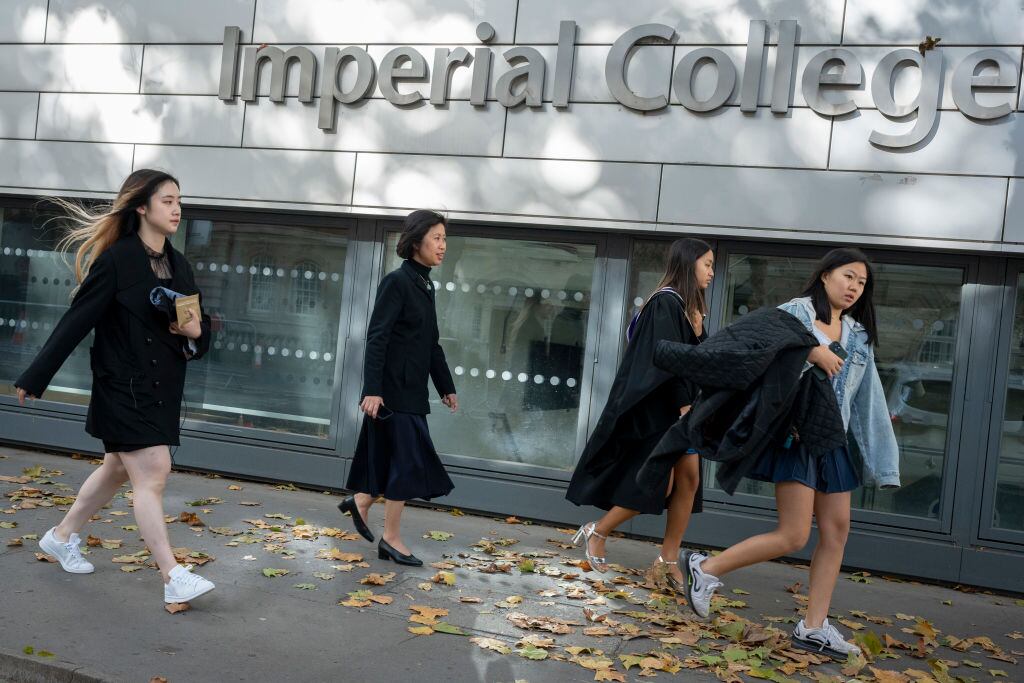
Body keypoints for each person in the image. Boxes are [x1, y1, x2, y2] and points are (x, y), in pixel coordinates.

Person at [683, 248, 900, 660]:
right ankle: (705, 569)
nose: (854, 287)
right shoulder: (795, 313)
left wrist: (882, 464)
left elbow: (869, 401)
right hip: (797, 436)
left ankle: (814, 626)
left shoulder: (858, 335)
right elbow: (752, 353)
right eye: (848, 276)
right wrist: (807, 352)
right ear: (825, 275)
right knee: (795, 535)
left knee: (836, 533)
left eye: (862, 283)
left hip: (832, 440)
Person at [15, 169, 216, 605]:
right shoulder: (116, 260)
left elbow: (194, 326)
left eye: (179, 200)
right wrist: (35, 376)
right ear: (141, 207)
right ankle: (172, 575)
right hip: (122, 384)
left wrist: (196, 332)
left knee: (117, 467)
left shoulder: (179, 264)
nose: (177, 208)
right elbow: (77, 321)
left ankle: (61, 535)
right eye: (167, 200)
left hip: (162, 386)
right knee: (154, 471)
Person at [565, 238, 714, 591]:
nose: (711, 271)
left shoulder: (688, 307)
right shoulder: (665, 302)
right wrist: (682, 404)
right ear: (689, 263)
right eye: (706, 264)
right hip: (663, 410)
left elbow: (696, 359)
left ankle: (667, 559)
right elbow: (665, 357)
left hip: (685, 411)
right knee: (658, 482)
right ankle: (597, 530)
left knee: (689, 481)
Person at [339, 210, 458, 567]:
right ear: (416, 240)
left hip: (412, 390)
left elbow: (431, 343)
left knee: (394, 460)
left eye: (444, 239)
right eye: (436, 238)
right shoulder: (398, 281)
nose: (443, 246)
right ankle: (389, 537)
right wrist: (372, 390)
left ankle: (360, 502)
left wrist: (445, 386)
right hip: (392, 391)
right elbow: (378, 338)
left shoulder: (425, 284)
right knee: (405, 463)